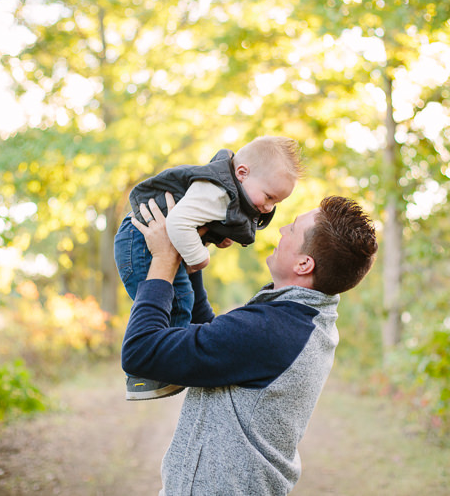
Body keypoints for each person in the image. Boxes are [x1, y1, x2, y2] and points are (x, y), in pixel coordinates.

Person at [122, 192, 378, 495]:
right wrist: (190, 253)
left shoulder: (273, 329)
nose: (282, 230)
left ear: (304, 264)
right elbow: (216, 340)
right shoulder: (302, 319)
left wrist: (164, 258)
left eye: (293, 229)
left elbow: (141, 352)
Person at [114, 136, 303, 400]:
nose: (269, 208)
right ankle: (154, 370)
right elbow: (179, 223)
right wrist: (199, 258)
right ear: (242, 172)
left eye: (276, 203)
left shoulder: (228, 189)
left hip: (143, 239)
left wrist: (215, 235)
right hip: (140, 242)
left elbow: (197, 219)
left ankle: (162, 363)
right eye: (269, 197)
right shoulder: (217, 191)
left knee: (184, 302)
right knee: (177, 304)